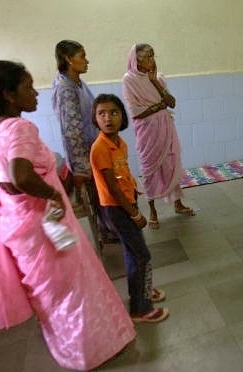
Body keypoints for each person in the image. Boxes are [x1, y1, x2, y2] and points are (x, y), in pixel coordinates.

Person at [0, 60, 135, 370]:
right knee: (72, 289)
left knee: (51, 296)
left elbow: (5, 181)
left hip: (15, 224)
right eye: (27, 87)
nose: (35, 93)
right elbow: (20, 175)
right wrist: (50, 193)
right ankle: (93, 349)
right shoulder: (19, 127)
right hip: (41, 224)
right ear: (9, 94)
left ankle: (71, 350)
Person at [90, 93, 169, 323]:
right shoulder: (100, 148)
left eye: (113, 112)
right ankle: (141, 308)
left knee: (132, 251)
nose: (108, 118)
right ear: (95, 119)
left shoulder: (119, 143)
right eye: (101, 113)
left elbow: (122, 176)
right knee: (141, 254)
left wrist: (135, 194)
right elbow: (112, 187)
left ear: (122, 116)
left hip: (126, 203)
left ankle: (142, 289)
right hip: (117, 208)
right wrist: (134, 213)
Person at [122, 43, 194, 229]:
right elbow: (135, 112)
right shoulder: (129, 79)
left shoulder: (159, 78)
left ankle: (177, 203)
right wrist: (158, 106)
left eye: (153, 56)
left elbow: (172, 102)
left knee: (171, 164)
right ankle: (152, 210)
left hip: (166, 129)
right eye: (146, 57)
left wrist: (154, 81)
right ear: (135, 60)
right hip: (147, 133)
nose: (151, 61)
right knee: (149, 169)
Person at [52, 39, 115, 245]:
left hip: (93, 148)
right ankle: (105, 232)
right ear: (69, 59)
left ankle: (108, 230)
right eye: (82, 56)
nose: (87, 61)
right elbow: (72, 131)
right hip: (84, 155)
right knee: (97, 196)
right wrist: (81, 167)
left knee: (102, 193)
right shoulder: (66, 88)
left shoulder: (77, 83)